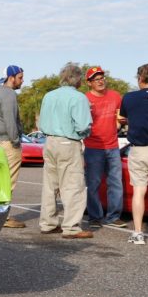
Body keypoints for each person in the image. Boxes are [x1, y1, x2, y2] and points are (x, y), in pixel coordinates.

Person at [37, 63, 93, 239]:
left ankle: (47, 223)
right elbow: (83, 125)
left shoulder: (49, 96)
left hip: (50, 141)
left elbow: (42, 122)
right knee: (73, 186)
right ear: (77, 79)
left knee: (50, 185)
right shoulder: (79, 98)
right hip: (69, 142)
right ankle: (71, 227)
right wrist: (83, 133)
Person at [82, 66, 126, 229]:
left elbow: (121, 115)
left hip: (113, 146)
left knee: (116, 183)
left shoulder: (115, 96)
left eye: (102, 78)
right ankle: (94, 217)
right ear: (89, 83)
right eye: (96, 79)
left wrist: (120, 123)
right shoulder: (85, 99)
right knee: (93, 184)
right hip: (93, 147)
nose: (100, 81)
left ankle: (114, 216)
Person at [0, 64, 26, 228]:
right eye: (20, 77)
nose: (22, 81)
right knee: (8, 182)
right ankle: (4, 218)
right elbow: (10, 121)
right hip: (7, 143)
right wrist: (16, 141)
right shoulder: (9, 94)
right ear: (12, 77)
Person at [122, 63, 148, 245]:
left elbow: (125, 117)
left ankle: (138, 233)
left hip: (138, 149)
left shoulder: (129, 98)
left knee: (139, 191)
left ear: (140, 78)